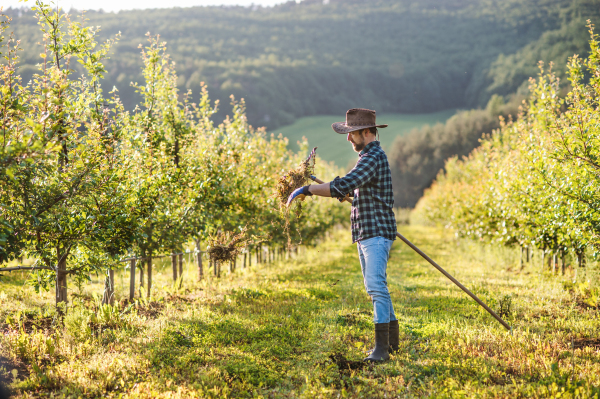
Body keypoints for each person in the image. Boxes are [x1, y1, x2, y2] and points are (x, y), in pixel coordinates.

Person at [287, 108, 398, 362]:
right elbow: (354, 189)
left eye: (352, 134)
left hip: (376, 233)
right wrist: (351, 196)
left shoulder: (372, 157)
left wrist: (308, 189)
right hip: (366, 232)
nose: (348, 139)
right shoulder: (369, 157)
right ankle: (392, 343)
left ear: (367, 132)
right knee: (376, 287)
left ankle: (381, 350)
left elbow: (344, 184)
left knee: (375, 286)